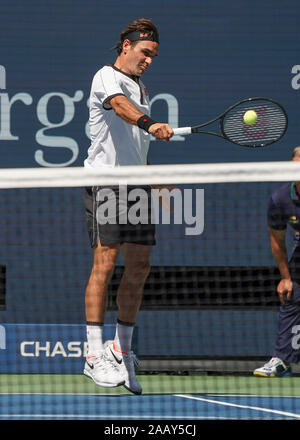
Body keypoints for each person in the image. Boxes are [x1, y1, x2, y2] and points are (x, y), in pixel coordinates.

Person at [82, 18, 173, 394]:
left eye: (153, 55)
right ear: (126, 46)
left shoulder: (142, 87)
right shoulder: (107, 76)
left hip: (136, 187)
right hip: (106, 182)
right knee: (105, 261)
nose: (148, 59)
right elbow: (119, 108)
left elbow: (135, 145)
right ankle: (92, 356)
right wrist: (151, 123)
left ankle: (121, 348)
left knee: (140, 265)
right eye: (145, 52)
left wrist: (153, 178)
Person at [253, 146, 300, 377]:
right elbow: (277, 240)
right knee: (292, 296)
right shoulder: (281, 198)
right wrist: (286, 277)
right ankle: (281, 360)